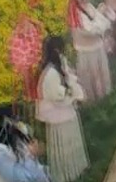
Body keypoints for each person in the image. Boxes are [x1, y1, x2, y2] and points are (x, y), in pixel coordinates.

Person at [36, 36, 89, 182]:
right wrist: (73, 95)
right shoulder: (50, 73)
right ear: (56, 50)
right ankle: (66, 173)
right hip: (58, 114)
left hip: (64, 109)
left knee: (70, 139)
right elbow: (57, 97)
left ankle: (74, 170)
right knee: (64, 142)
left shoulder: (58, 64)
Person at [69, 0, 115, 103]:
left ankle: (103, 93)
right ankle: (92, 97)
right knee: (90, 72)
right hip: (87, 48)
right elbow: (88, 30)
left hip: (96, 45)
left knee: (99, 69)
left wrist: (101, 17)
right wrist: (102, 26)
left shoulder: (88, 6)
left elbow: (98, 19)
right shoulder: (75, 13)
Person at [0, 104, 50, 182]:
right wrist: (31, 155)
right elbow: (21, 178)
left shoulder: (21, 144)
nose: (23, 125)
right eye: (17, 120)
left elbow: (40, 173)